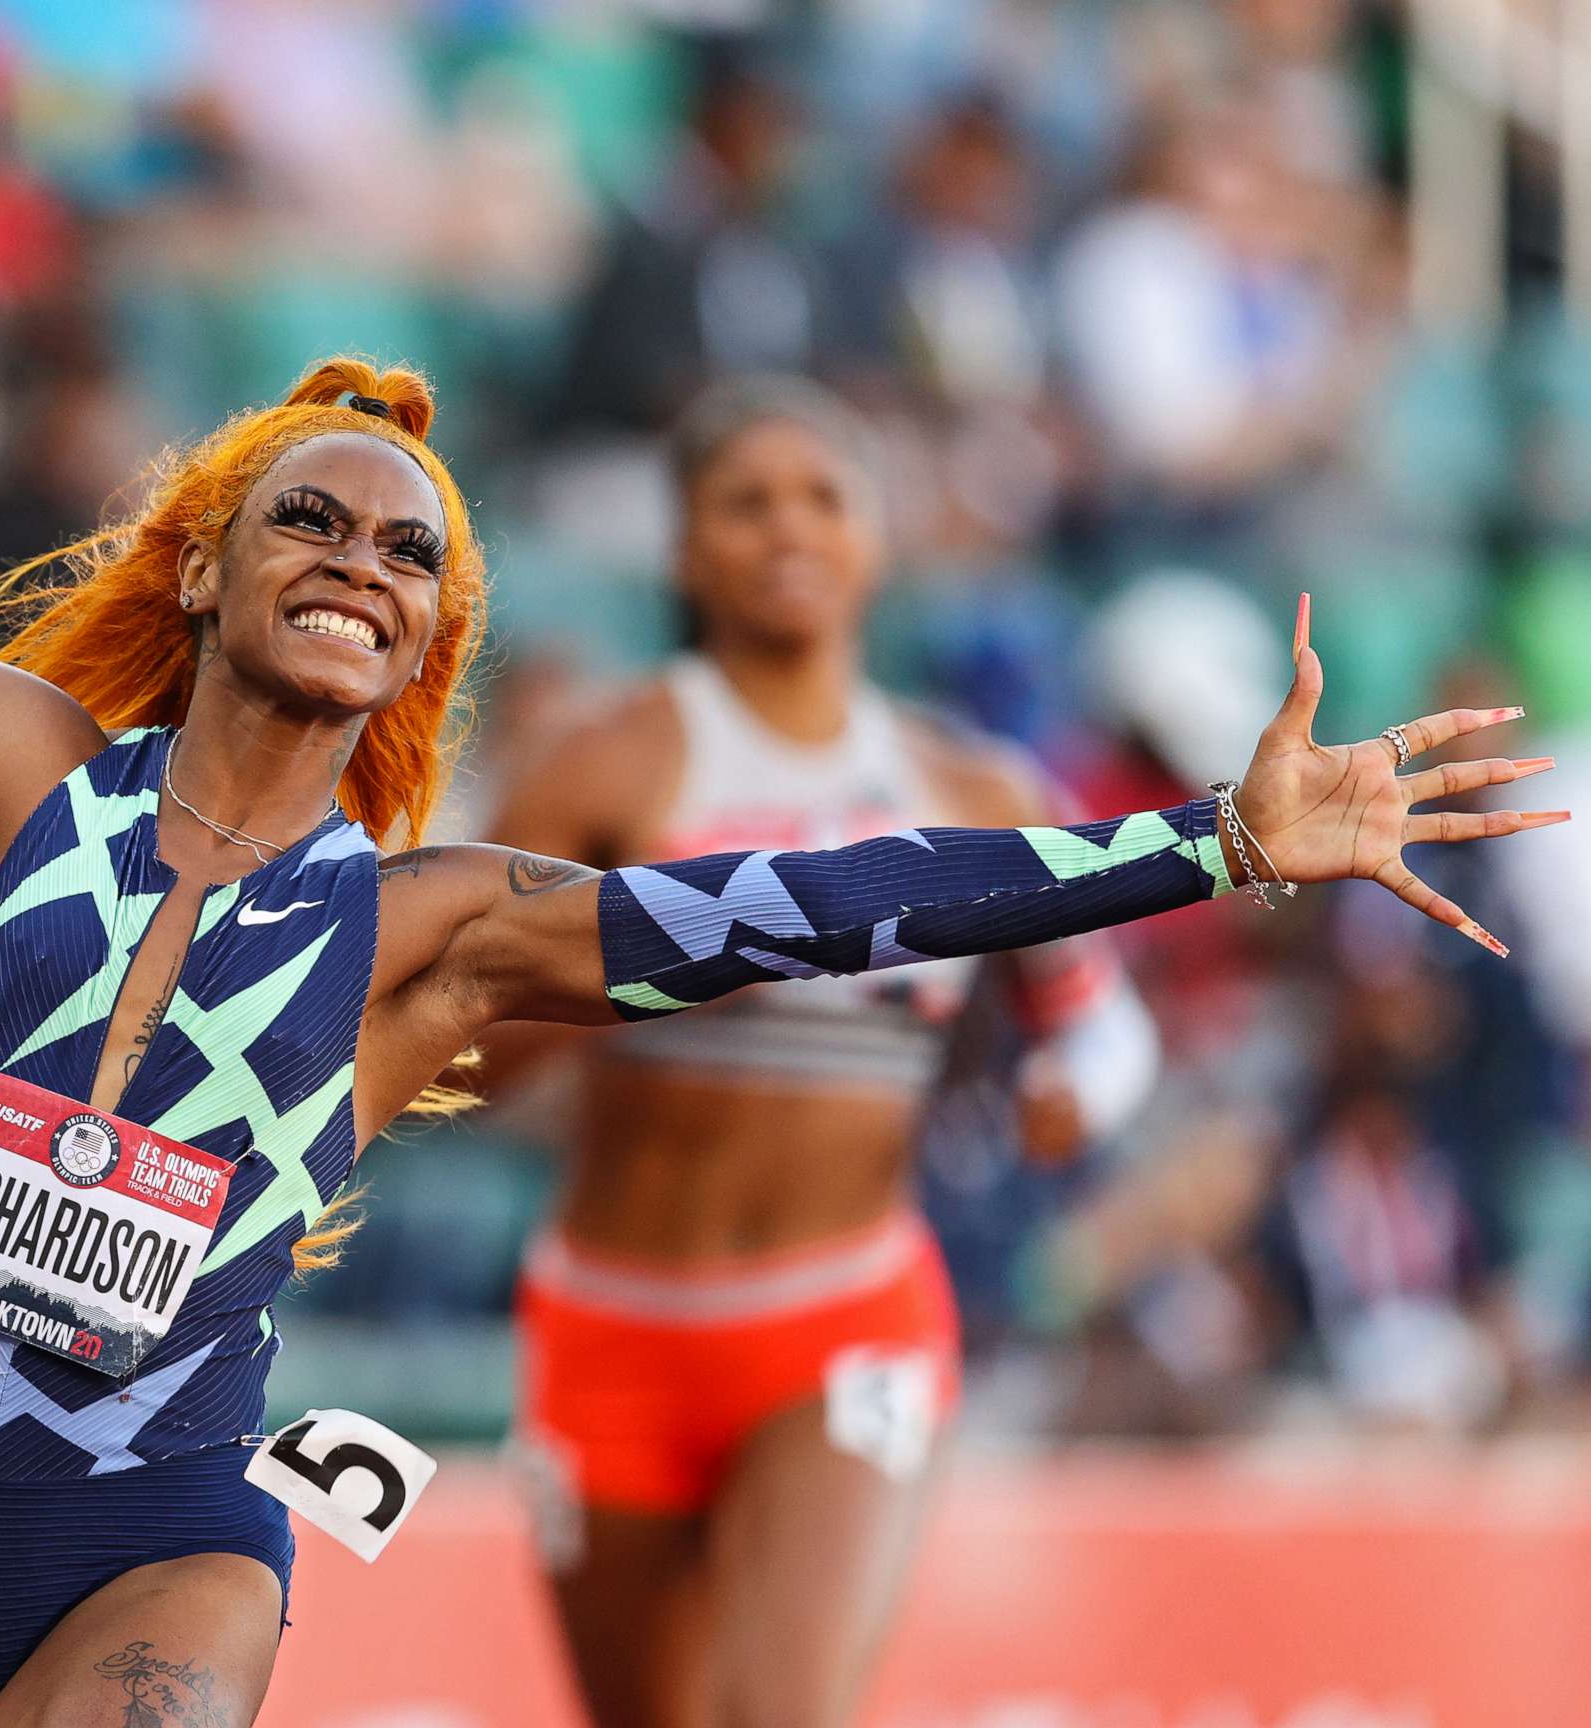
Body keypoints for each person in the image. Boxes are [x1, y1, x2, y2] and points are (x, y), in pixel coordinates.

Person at [0, 170, 1563, 1728]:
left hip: (158, 1524)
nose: (365, 560)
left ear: (424, 644)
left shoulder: (428, 933)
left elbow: (819, 899)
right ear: (220, 563)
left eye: (412, 554)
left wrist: (1207, 848)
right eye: (322, 525)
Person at [482, 378, 1165, 1728]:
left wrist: (1066, 1094)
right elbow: (460, 1046)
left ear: (878, 537)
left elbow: (1101, 1029)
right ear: (685, 550)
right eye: (745, 502)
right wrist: (620, 986)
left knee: (772, 1712)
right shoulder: (601, 767)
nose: (787, 528)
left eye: (822, 497)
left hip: (844, 1328)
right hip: (607, 1331)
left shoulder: (978, 792)